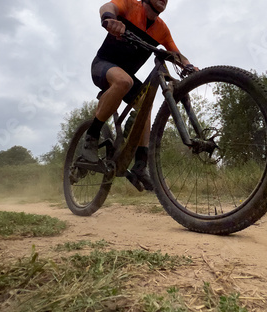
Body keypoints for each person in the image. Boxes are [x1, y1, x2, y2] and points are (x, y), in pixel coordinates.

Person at [82, 0, 195, 191]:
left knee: (146, 101)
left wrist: (189, 66)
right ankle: (91, 138)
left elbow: (176, 53)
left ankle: (140, 165)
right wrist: (110, 20)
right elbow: (107, 7)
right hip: (103, 65)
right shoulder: (129, 5)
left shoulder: (161, 29)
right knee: (124, 81)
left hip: (128, 76)